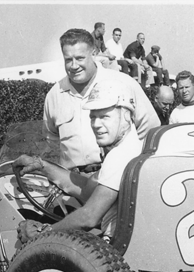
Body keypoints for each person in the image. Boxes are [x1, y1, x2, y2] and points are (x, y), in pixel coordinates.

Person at [16, 80, 143, 242]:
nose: (96, 125)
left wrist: (43, 232)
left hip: (113, 245)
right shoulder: (134, 147)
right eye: (93, 117)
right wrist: (42, 166)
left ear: (126, 115)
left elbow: (89, 217)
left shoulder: (119, 155)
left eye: (104, 116)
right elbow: (86, 188)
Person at [43, 28, 159, 173]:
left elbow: (150, 130)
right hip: (69, 183)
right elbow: (52, 141)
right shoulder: (54, 95)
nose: (73, 66)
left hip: (115, 178)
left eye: (79, 58)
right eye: (68, 60)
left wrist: (127, 164)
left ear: (94, 54)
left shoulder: (123, 83)